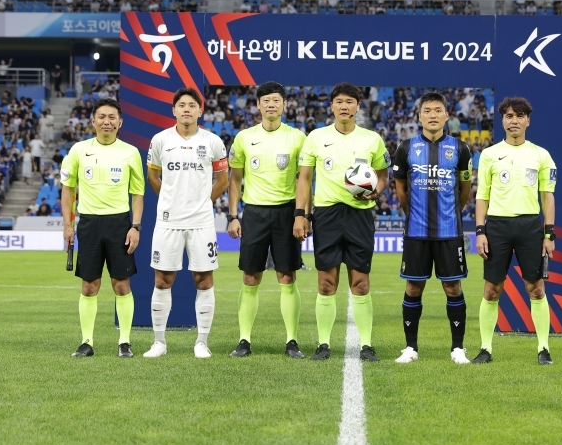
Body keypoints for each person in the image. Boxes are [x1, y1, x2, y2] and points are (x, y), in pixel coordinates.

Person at [295, 82, 390, 362]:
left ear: (358, 106)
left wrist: (378, 190)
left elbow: (383, 176)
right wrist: (301, 214)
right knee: (326, 282)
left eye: (350, 101)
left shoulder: (372, 139)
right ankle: (323, 344)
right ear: (332, 106)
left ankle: (367, 345)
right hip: (326, 214)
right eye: (340, 102)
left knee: (360, 282)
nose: (344, 106)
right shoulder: (315, 137)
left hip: (360, 214)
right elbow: (304, 179)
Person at [144, 88, 228, 359]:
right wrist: (171, 201)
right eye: (182, 105)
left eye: (192, 105)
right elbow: (153, 176)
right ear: (174, 110)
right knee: (162, 279)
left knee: (204, 280)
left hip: (201, 222)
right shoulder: (160, 140)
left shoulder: (213, 141)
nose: (187, 109)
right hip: (168, 221)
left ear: (200, 111)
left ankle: (202, 342)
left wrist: (203, 203)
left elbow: (223, 180)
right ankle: (159, 342)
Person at [390, 92, 473, 364]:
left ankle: (457, 348)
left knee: (453, 289)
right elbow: (401, 189)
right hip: (416, 232)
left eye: (438, 110)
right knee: (414, 287)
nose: (433, 115)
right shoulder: (406, 147)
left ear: (447, 115)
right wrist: (411, 213)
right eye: (428, 110)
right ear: (420, 116)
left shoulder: (460, 149)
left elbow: (465, 189)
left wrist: (452, 214)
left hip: (449, 232)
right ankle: (410, 348)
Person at [473, 96, 557, 366]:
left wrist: (549, 234)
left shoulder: (541, 154)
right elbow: (481, 197)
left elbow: (548, 197)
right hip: (496, 226)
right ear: (503, 121)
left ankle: (543, 349)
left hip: (530, 226)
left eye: (519, 116)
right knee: (491, 290)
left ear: (528, 121)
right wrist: (480, 231)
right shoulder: (489, 155)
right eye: (509, 116)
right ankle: (486, 349)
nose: (514, 121)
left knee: (536, 288)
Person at [60, 98, 145, 358]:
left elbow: (138, 194)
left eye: (111, 117)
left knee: (121, 284)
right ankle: (87, 342)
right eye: (102, 117)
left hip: (120, 223)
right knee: (89, 286)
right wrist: (67, 224)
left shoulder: (130, 152)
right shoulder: (78, 150)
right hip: (89, 223)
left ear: (120, 123)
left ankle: (125, 342)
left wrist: (136, 227)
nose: (106, 121)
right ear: (93, 121)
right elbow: (68, 189)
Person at [226, 81, 306, 359]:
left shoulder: (297, 138)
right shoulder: (244, 138)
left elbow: (304, 180)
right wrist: (233, 216)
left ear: (285, 105)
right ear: (258, 105)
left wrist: (301, 215)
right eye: (266, 100)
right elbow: (234, 181)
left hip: (286, 213)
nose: (271, 105)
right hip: (255, 213)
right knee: (250, 277)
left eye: (276, 100)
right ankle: (244, 340)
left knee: (287, 276)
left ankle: (292, 341)